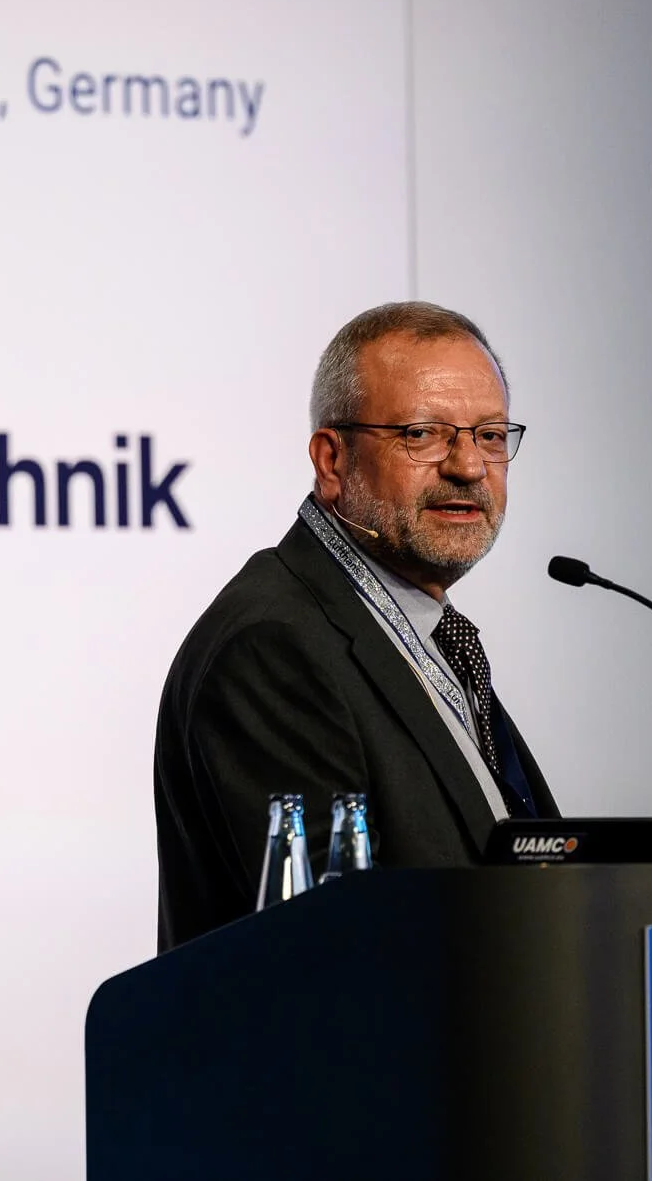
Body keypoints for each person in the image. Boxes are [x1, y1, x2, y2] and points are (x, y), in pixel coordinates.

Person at [154, 301, 559, 949]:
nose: (469, 466)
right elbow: (328, 947)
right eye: (423, 434)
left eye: (489, 434)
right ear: (332, 462)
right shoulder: (274, 647)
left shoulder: (432, 637)